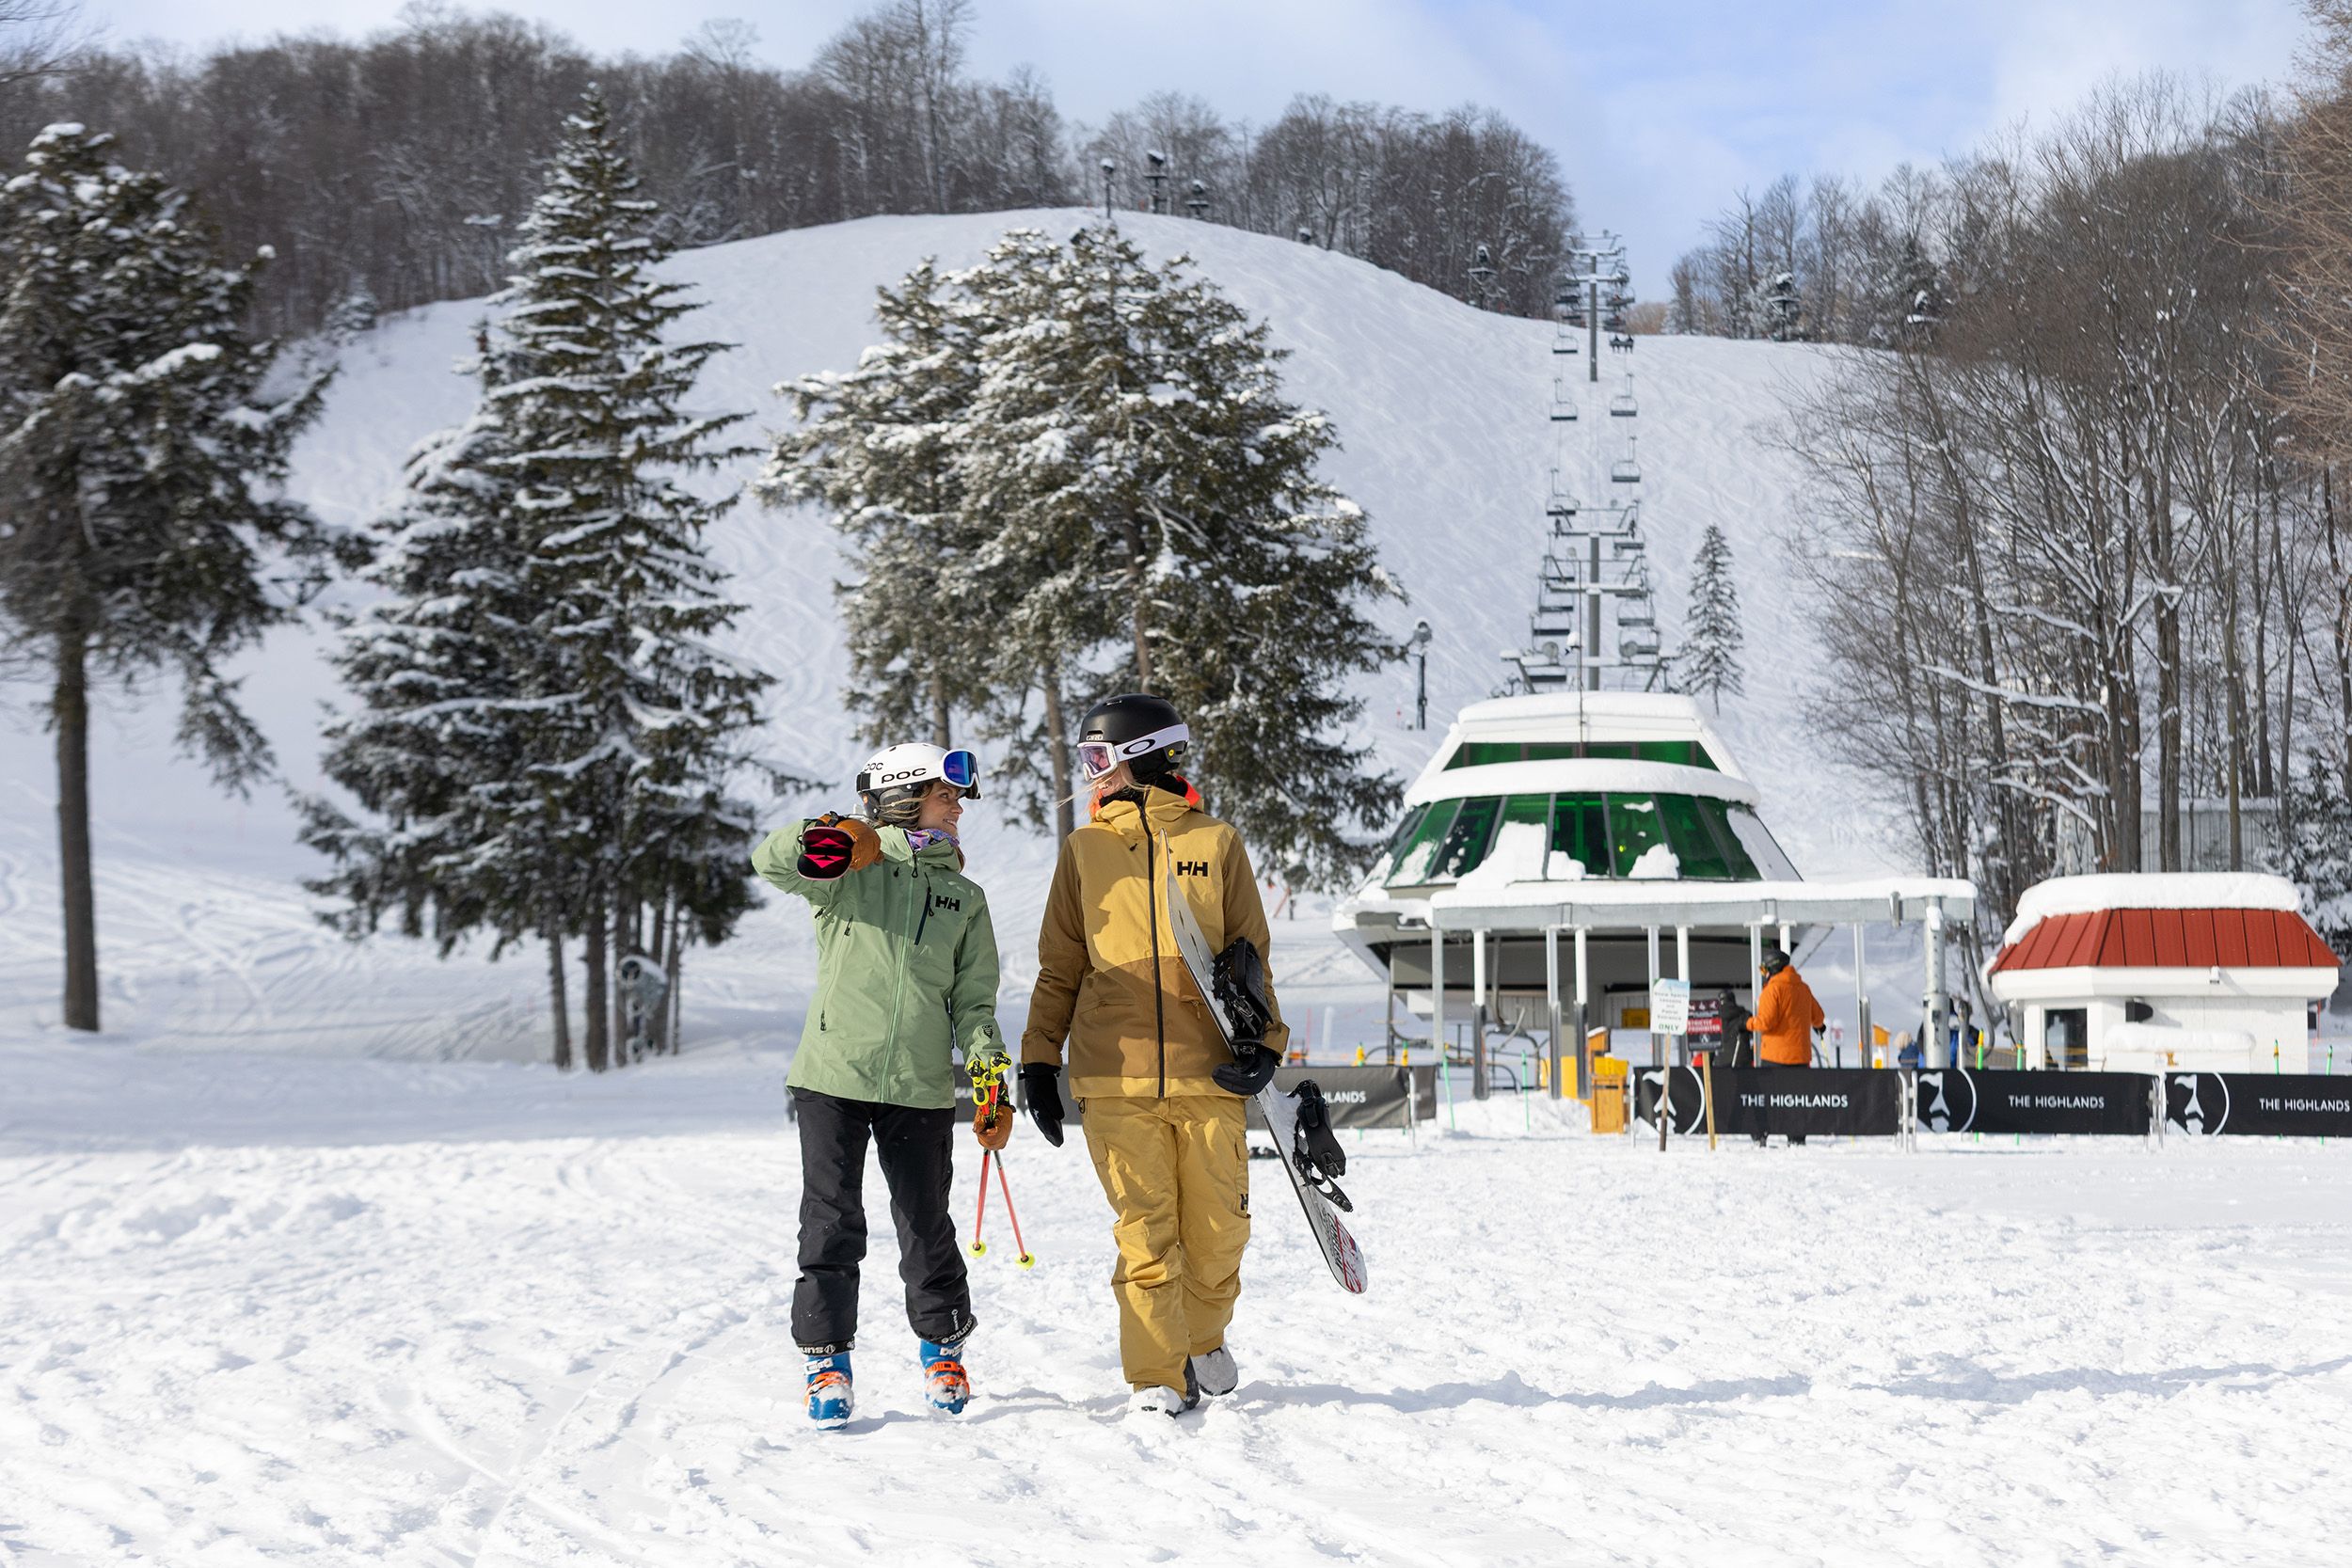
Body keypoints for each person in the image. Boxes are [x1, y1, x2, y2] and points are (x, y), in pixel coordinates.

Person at [1019, 694, 1289, 1420]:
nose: (1091, 775)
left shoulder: (1216, 842)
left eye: (1098, 758)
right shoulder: (1083, 853)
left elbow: (1252, 956)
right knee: (1146, 1236)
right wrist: (1039, 1060)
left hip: (1210, 1074)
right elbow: (1059, 968)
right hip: (1114, 1076)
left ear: (1143, 754)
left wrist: (1265, 1045)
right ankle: (1156, 1377)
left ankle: (1201, 1340)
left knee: (1218, 1234)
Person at [750, 742, 1009, 1431]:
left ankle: (943, 1349)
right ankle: (826, 1360)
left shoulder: (965, 896)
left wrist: (989, 1077)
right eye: (944, 794)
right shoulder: (850, 868)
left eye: (956, 798)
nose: (958, 808)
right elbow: (770, 861)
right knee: (832, 1218)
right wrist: (824, 834)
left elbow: (975, 1003)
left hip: (920, 1082)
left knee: (926, 1223)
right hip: (833, 1073)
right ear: (901, 796)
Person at [1749, 945, 1824, 1147]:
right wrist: (1819, 1026)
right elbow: (1818, 1017)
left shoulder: (1772, 990)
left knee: (1768, 1098)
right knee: (1796, 1100)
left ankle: (1761, 1135)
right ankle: (1797, 1138)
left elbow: (1765, 1022)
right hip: (1800, 1057)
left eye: (1764, 970)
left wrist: (1748, 1023)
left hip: (1775, 1056)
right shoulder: (1804, 988)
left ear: (1772, 969)